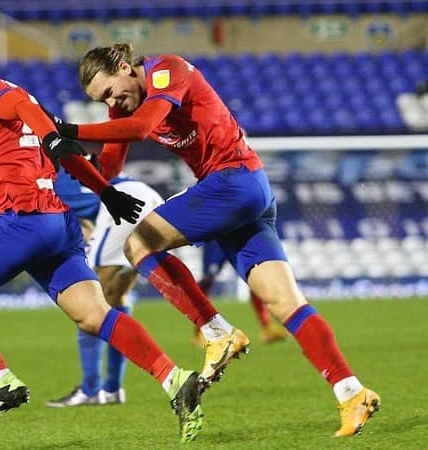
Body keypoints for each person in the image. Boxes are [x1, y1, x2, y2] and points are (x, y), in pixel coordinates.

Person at [49, 42, 380, 437]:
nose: (111, 101)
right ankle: (352, 392)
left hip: (233, 182)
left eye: (110, 91)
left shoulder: (165, 70)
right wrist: (70, 160)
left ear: (125, 67)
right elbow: (110, 166)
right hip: (240, 194)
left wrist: (67, 130)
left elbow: (141, 128)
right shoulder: (124, 105)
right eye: (101, 99)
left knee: (139, 244)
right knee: (284, 303)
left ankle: (217, 333)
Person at [0, 33, 204, 443]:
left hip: (23, 218)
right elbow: (60, 149)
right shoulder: (17, 97)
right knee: (96, 316)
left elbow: (40, 126)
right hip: (58, 222)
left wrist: (58, 140)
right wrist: (104, 190)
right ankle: (174, 378)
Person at [46, 166, 164, 407]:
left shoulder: (46, 180)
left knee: (89, 302)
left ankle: (90, 389)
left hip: (121, 204)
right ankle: (112, 388)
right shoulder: (65, 166)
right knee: (117, 297)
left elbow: (79, 226)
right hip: (150, 200)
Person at [192, 240, 289, 347]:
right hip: (216, 239)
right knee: (207, 281)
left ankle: (267, 328)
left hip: (237, 236)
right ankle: (200, 332)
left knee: (254, 276)